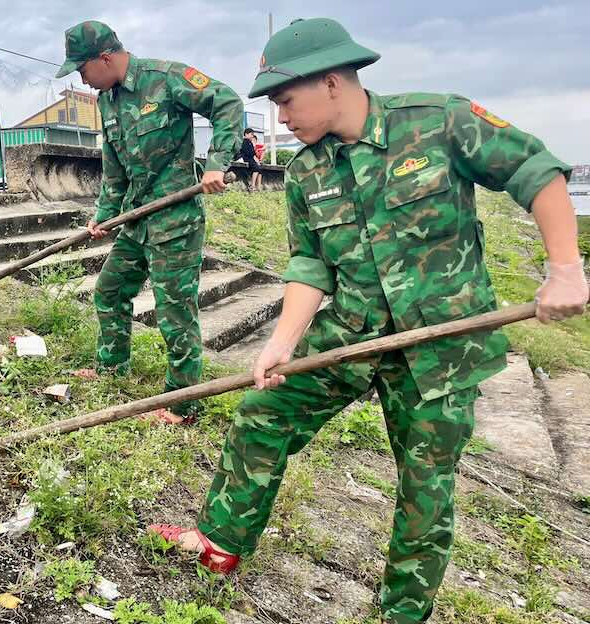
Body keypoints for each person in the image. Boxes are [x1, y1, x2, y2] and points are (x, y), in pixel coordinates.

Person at [147, 17, 588, 623]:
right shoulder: (306, 171)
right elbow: (310, 264)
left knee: (423, 490)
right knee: (262, 415)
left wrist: (566, 268)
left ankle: (401, 614)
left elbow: (536, 173)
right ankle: (221, 543)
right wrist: (282, 342)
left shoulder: (438, 121)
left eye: (284, 100)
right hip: (352, 334)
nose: (280, 118)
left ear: (331, 82)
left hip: (439, 346)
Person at [56, 20, 243, 424]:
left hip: (175, 222)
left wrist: (216, 163)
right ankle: (112, 366)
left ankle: (182, 402)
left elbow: (226, 103)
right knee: (109, 290)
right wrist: (105, 215)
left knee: (174, 312)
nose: (82, 80)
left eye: (82, 69)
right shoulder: (107, 101)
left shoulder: (165, 79)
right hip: (137, 219)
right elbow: (115, 170)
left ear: (104, 58)